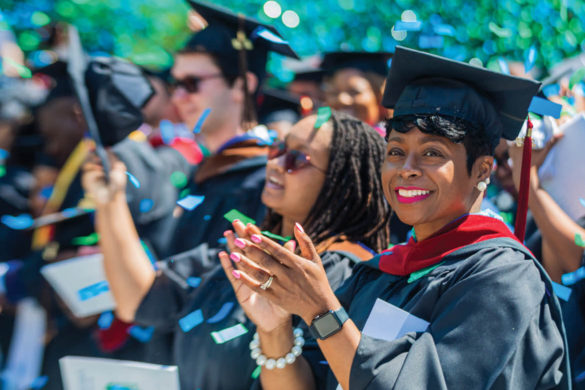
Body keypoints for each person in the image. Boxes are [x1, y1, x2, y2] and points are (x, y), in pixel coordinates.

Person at [220, 46, 571, 389]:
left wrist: (320, 311)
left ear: (482, 170)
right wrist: (274, 329)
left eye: (432, 152)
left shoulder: (502, 278)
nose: (407, 169)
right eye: (396, 151)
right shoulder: (376, 274)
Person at [82, 110, 391, 389]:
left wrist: (275, 333)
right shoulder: (246, 247)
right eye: (278, 148)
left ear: (342, 183)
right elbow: (139, 299)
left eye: (298, 159)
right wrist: (111, 200)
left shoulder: (340, 275)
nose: (276, 163)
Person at [321, 51, 391, 132]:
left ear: (380, 97)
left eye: (354, 92)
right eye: (334, 93)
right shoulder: (322, 140)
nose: (342, 100)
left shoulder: (393, 142)